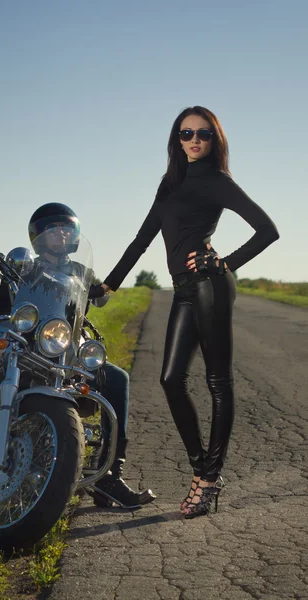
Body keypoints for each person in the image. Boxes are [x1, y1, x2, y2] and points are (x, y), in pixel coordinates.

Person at [94, 106, 279, 519]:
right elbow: (142, 239)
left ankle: (208, 480)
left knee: (218, 381)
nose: (194, 140)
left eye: (203, 133)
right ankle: (203, 470)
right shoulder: (170, 183)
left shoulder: (218, 180)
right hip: (182, 289)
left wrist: (224, 262)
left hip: (211, 286)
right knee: (170, 379)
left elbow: (267, 229)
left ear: (215, 139)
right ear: (176, 140)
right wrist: (109, 284)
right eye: (186, 133)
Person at [0, 203, 156, 509]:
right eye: (54, 227)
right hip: (22, 340)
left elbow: (91, 301)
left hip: (62, 349)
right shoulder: (22, 266)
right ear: (38, 235)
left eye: (67, 228)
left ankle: (109, 475)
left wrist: (102, 289)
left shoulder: (81, 272)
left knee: (117, 377)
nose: (62, 232)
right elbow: (3, 310)